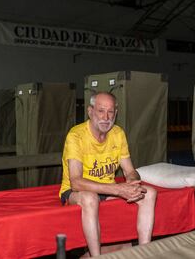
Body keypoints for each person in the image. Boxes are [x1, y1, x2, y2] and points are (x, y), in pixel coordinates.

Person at [59, 91, 157, 257]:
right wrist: (119, 190)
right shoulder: (76, 136)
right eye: (101, 111)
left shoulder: (118, 134)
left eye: (110, 111)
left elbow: (130, 171)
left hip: (107, 189)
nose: (106, 117)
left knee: (149, 194)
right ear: (90, 112)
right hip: (76, 192)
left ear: (116, 113)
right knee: (91, 198)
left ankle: (144, 252)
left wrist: (132, 183)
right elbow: (76, 182)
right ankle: (96, 256)